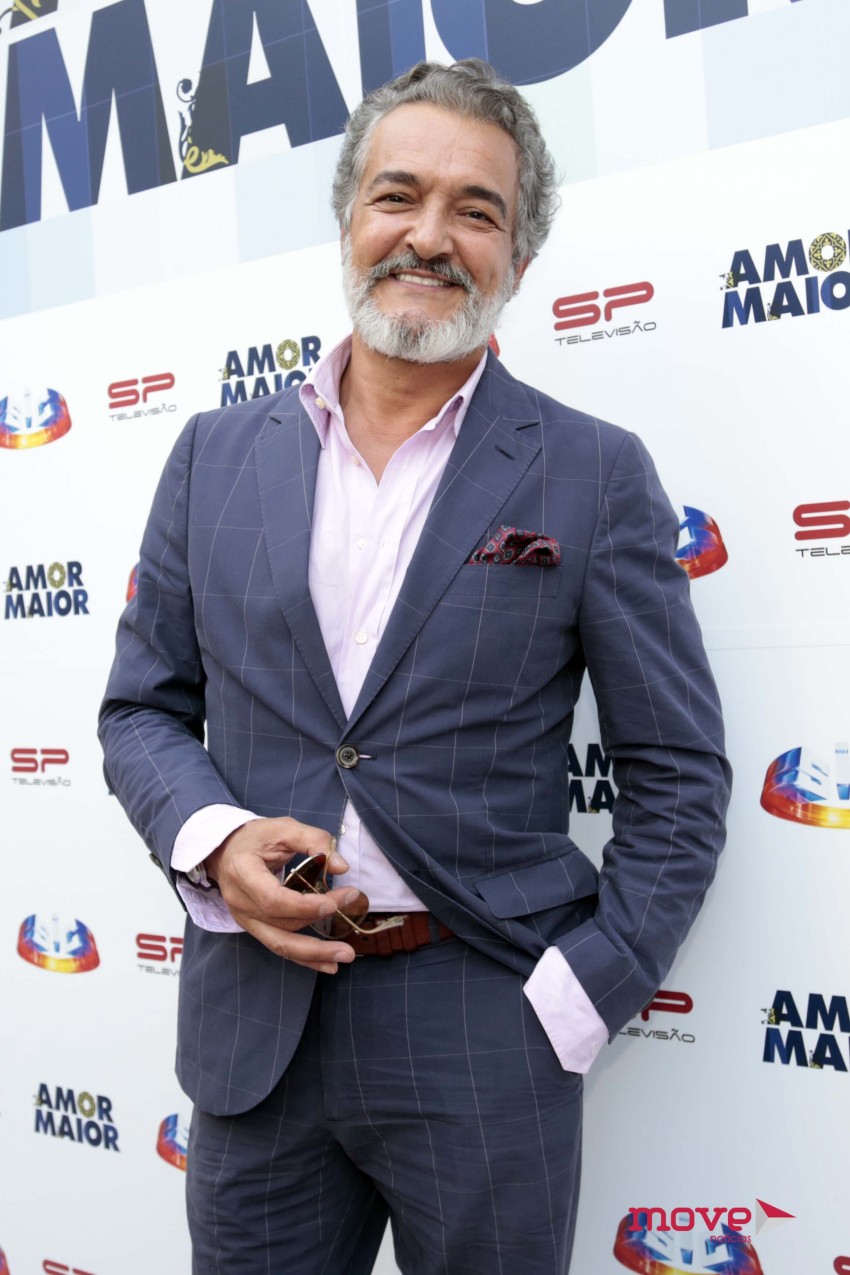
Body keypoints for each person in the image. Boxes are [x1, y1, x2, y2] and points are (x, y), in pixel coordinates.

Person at [100, 59, 731, 1275]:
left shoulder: (592, 474)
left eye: (475, 211)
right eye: (397, 196)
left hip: (486, 1025)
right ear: (349, 217)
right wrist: (216, 842)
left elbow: (676, 772)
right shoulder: (211, 457)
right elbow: (141, 711)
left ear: (519, 260)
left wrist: (581, 995)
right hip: (255, 1028)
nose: (429, 237)